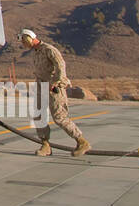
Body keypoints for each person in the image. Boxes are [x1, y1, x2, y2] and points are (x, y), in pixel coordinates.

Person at [19, 28, 91, 157]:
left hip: (54, 88)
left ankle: (82, 142)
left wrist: (55, 83)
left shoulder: (49, 50)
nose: (23, 45)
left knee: (59, 117)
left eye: (24, 41)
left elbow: (60, 66)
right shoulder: (35, 52)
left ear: (29, 38)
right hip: (41, 86)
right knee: (39, 115)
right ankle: (46, 145)